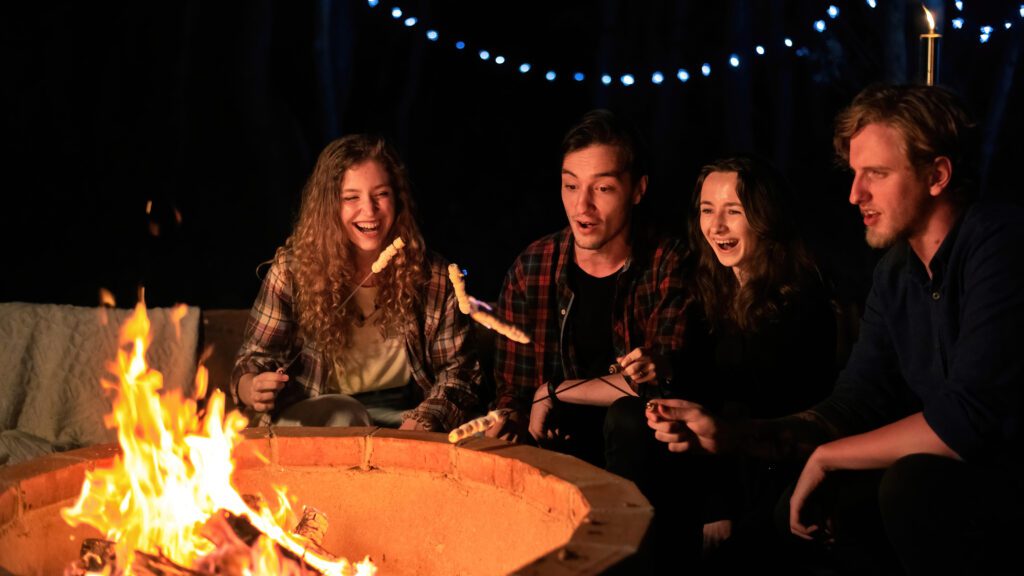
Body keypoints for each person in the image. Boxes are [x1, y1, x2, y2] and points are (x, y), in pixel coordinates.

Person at [648, 84, 1024, 575]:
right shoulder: (895, 273)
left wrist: (827, 457)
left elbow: (968, 421)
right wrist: (733, 435)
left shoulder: (1000, 243)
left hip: (1004, 482)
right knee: (781, 523)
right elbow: (852, 405)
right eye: (853, 174)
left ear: (937, 175)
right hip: (951, 483)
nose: (855, 194)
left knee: (908, 485)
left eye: (877, 174)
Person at [231, 134, 482, 431]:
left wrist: (427, 417)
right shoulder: (292, 271)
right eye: (351, 198)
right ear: (329, 206)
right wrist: (251, 386)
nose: (369, 210)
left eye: (381, 194)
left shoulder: (434, 277)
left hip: (404, 419)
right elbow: (254, 359)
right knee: (345, 414)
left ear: (398, 198)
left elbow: (460, 373)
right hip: (318, 421)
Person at [486, 109, 688, 470]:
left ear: (638, 189)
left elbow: (658, 381)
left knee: (628, 418)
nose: (583, 206)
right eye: (571, 185)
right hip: (556, 455)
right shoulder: (533, 266)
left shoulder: (667, 262)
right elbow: (512, 390)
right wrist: (508, 421)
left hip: (642, 458)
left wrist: (552, 391)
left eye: (603, 188)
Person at [682, 155, 837, 572]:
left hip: (783, 469)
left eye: (733, 212)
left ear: (765, 218)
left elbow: (798, 413)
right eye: (707, 211)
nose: (716, 227)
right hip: (720, 473)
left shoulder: (800, 300)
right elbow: (701, 395)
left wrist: (724, 506)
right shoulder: (704, 290)